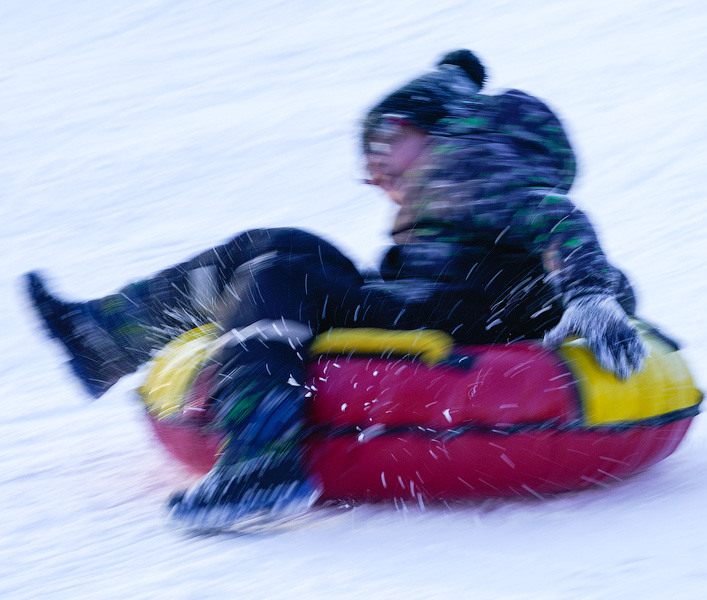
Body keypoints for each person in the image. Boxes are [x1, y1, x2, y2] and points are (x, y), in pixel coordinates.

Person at [25, 49, 649, 529]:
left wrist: (590, 296)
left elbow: (557, 221)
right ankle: (104, 336)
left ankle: (262, 461)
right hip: (427, 299)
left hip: (465, 316)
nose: (373, 171)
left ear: (443, 130)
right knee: (282, 243)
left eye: (384, 143)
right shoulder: (453, 185)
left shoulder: (480, 172)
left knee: (279, 274)